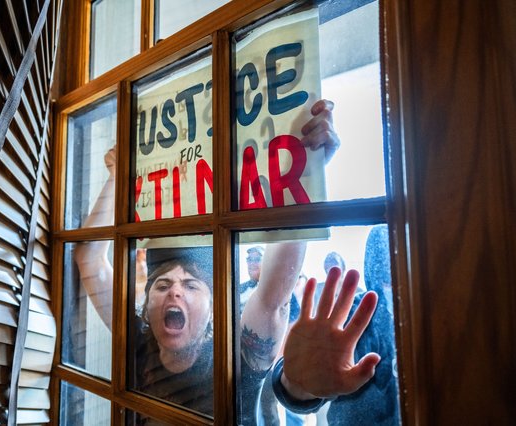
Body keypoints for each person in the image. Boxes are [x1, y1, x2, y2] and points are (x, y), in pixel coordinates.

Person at [75, 99, 340, 423]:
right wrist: (118, 178)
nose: (175, 292)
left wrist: (309, 170)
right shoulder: (138, 341)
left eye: (190, 284)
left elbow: (274, 301)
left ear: (215, 306)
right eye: (163, 284)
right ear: (147, 302)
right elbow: (87, 256)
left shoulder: (238, 354)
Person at [271, 226, 400, 425]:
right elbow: (312, 374)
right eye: (387, 277)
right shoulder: (357, 312)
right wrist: (297, 387)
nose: (395, 285)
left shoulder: (445, 315)